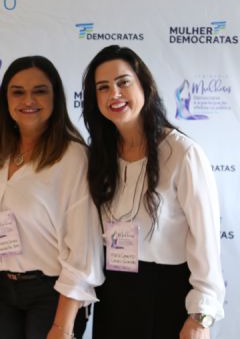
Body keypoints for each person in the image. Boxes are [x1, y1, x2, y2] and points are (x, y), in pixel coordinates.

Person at [81, 45, 225, 339]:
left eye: (123, 82)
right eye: (103, 87)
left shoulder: (182, 153)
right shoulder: (100, 155)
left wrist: (200, 317)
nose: (114, 94)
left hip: (166, 292)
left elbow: (206, 242)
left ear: (144, 86)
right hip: (113, 292)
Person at [0, 56, 104, 339]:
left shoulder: (73, 158)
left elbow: (83, 250)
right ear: (6, 100)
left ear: (55, 97)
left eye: (40, 91)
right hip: (1, 289)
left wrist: (62, 326)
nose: (28, 100)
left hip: (52, 293)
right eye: (18, 92)